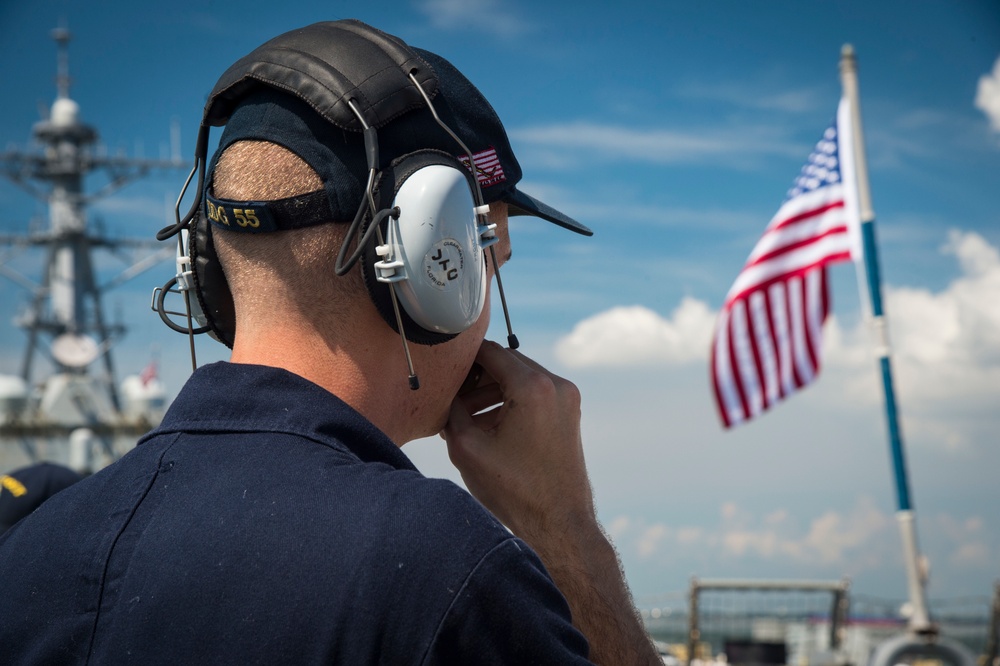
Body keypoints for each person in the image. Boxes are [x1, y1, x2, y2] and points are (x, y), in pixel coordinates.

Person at [0, 20, 660, 665]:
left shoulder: (29, 552)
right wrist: (564, 528)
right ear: (437, 263)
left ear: (206, 262)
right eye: (489, 262)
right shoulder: (444, 570)